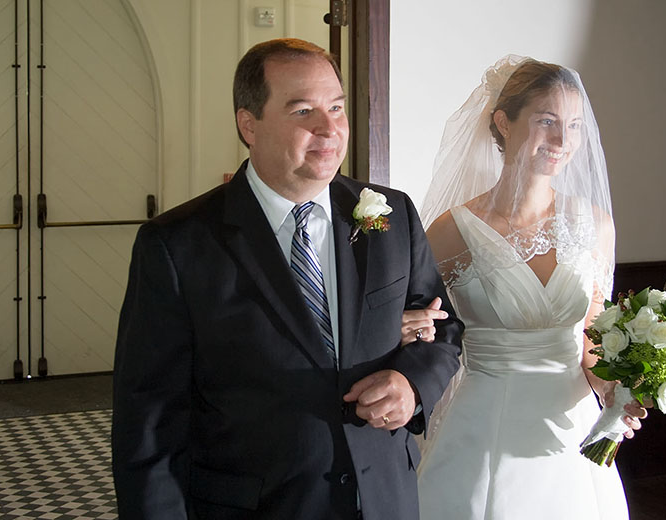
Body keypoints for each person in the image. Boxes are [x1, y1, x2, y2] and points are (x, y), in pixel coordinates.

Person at [111, 38, 463, 520]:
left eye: (336, 107)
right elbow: (149, 422)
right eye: (303, 111)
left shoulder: (391, 215)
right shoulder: (177, 245)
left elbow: (443, 330)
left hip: (382, 498)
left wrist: (411, 384)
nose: (329, 128)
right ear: (248, 124)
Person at [402, 55, 646, 519]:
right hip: (484, 427)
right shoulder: (453, 231)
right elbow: (429, 334)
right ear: (503, 122)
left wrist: (617, 391)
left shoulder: (595, 224)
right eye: (547, 121)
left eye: (574, 125)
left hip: (569, 433)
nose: (563, 140)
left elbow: (593, 337)